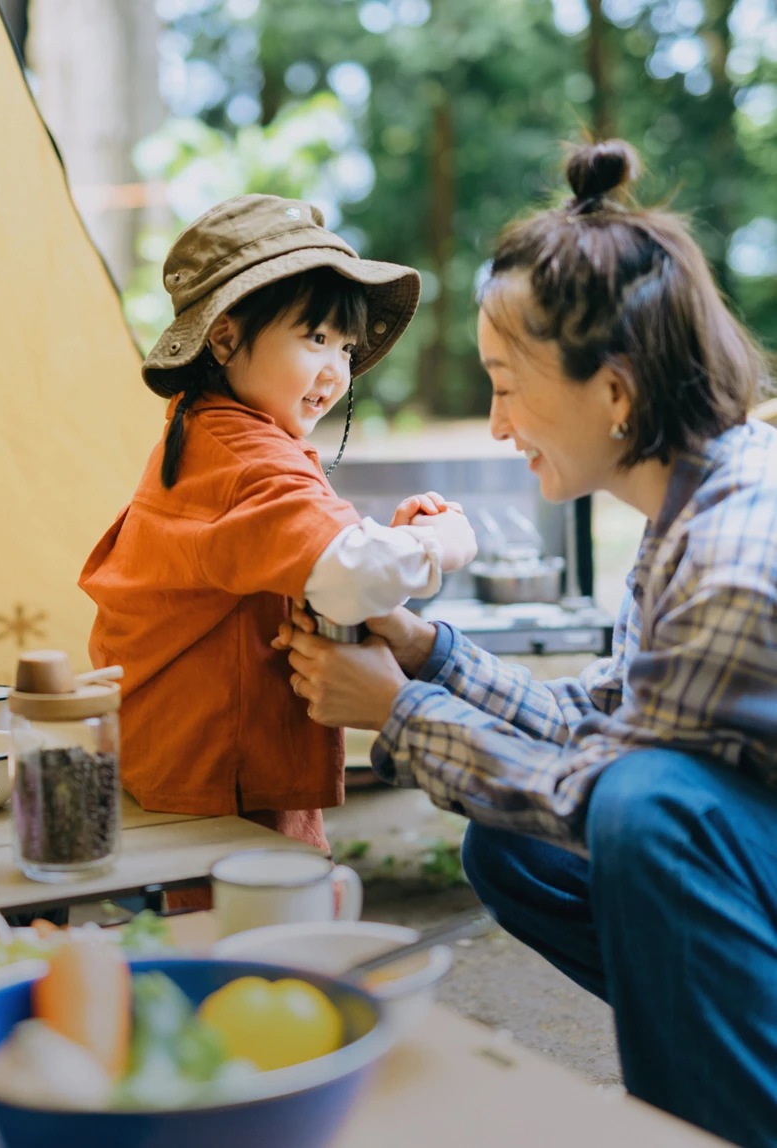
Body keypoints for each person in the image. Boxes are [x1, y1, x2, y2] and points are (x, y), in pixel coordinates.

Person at [277, 142, 777, 1148]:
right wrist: (427, 651)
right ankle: (712, 1060)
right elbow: (606, 718)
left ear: (616, 393)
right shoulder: (688, 502)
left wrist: (397, 713)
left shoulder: (735, 558)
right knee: (512, 845)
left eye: (506, 385)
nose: (497, 424)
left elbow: (595, 795)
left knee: (644, 813)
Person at [79, 194, 477, 874]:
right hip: (221, 790)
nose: (335, 370)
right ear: (225, 338)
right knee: (258, 924)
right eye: (314, 338)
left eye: (345, 347)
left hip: (202, 765)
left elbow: (312, 562)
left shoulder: (212, 435)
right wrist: (441, 545)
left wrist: (381, 547)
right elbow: (348, 576)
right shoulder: (244, 458)